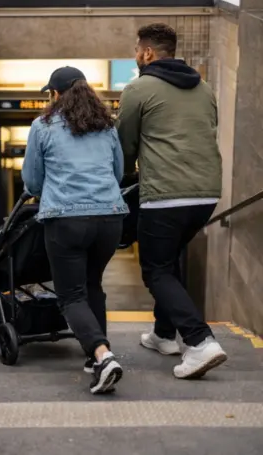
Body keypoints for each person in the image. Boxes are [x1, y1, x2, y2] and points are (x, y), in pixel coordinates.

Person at [116, 23, 227, 379]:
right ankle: (165, 335)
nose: (136, 56)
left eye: (137, 50)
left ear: (148, 53)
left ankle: (199, 342)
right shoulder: (204, 87)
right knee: (170, 260)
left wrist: (124, 178)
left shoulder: (138, 88)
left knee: (156, 270)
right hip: (207, 194)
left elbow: (124, 147)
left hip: (166, 195)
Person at [21, 66, 128, 395]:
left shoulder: (43, 126)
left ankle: (102, 354)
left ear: (54, 94)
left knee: (70, 295)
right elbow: (119, 172)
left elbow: (33, 182)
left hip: (66, 219)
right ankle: (94, 358)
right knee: (92, 284)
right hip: (110, 218)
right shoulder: (106, 126)